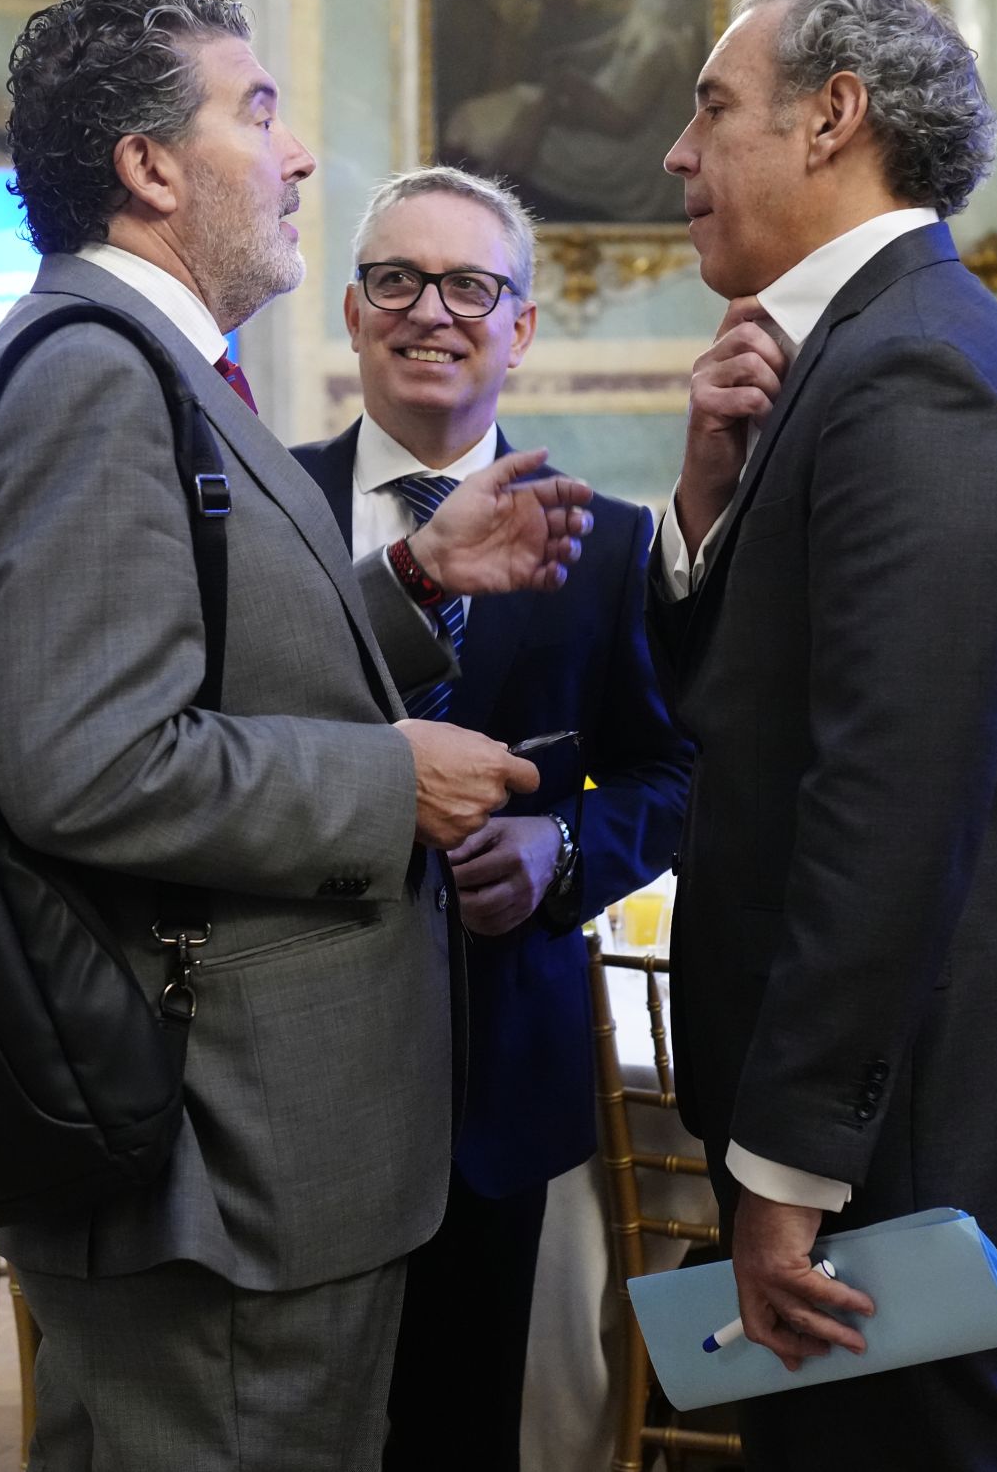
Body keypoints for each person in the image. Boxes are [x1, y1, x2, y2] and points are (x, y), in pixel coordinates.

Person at [0, 0, 595, 1471]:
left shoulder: (158, 365)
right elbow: (91, 761)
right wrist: (387, 776)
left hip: (266, 1143)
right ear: (151, 168)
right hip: (223, 1157)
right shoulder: (101, 378)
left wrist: (412, 578)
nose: (300, 160)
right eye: (260, 111)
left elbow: (213, 669)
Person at [646, 0, 997, 1470]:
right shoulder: (857, 351)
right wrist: (706, 508)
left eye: (712, 106)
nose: (678, 152)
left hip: (902, 1125)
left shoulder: (917, 367)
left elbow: (886, 801)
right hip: (874, 1112)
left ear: (832, 117)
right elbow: (755, 700)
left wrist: (787, 1160)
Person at [292, 165, 692, 1471]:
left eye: (473, 284)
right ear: (353, 312)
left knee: (459, 1432)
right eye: (398, 280)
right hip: (279, 1075)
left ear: (521, 328)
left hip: (492, 1080)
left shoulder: (608, 544)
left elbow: (675, 771)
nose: (433, 311)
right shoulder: (260, 517)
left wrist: (564, 845)